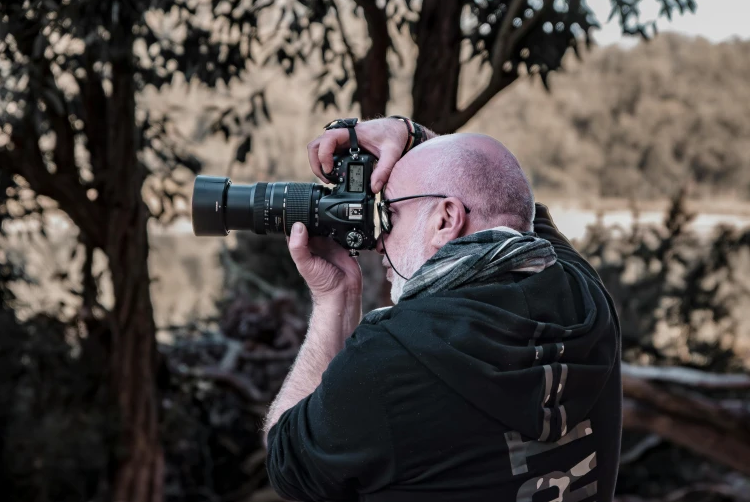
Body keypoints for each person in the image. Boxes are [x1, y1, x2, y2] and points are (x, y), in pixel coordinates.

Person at [262, 117, 622, 502]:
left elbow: (288, 462)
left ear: (446, 219)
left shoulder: (389, 360)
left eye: (391, 215)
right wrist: (414, 139)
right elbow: (504, 198)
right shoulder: (584, 295)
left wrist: (335, 299)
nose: (379, 239)